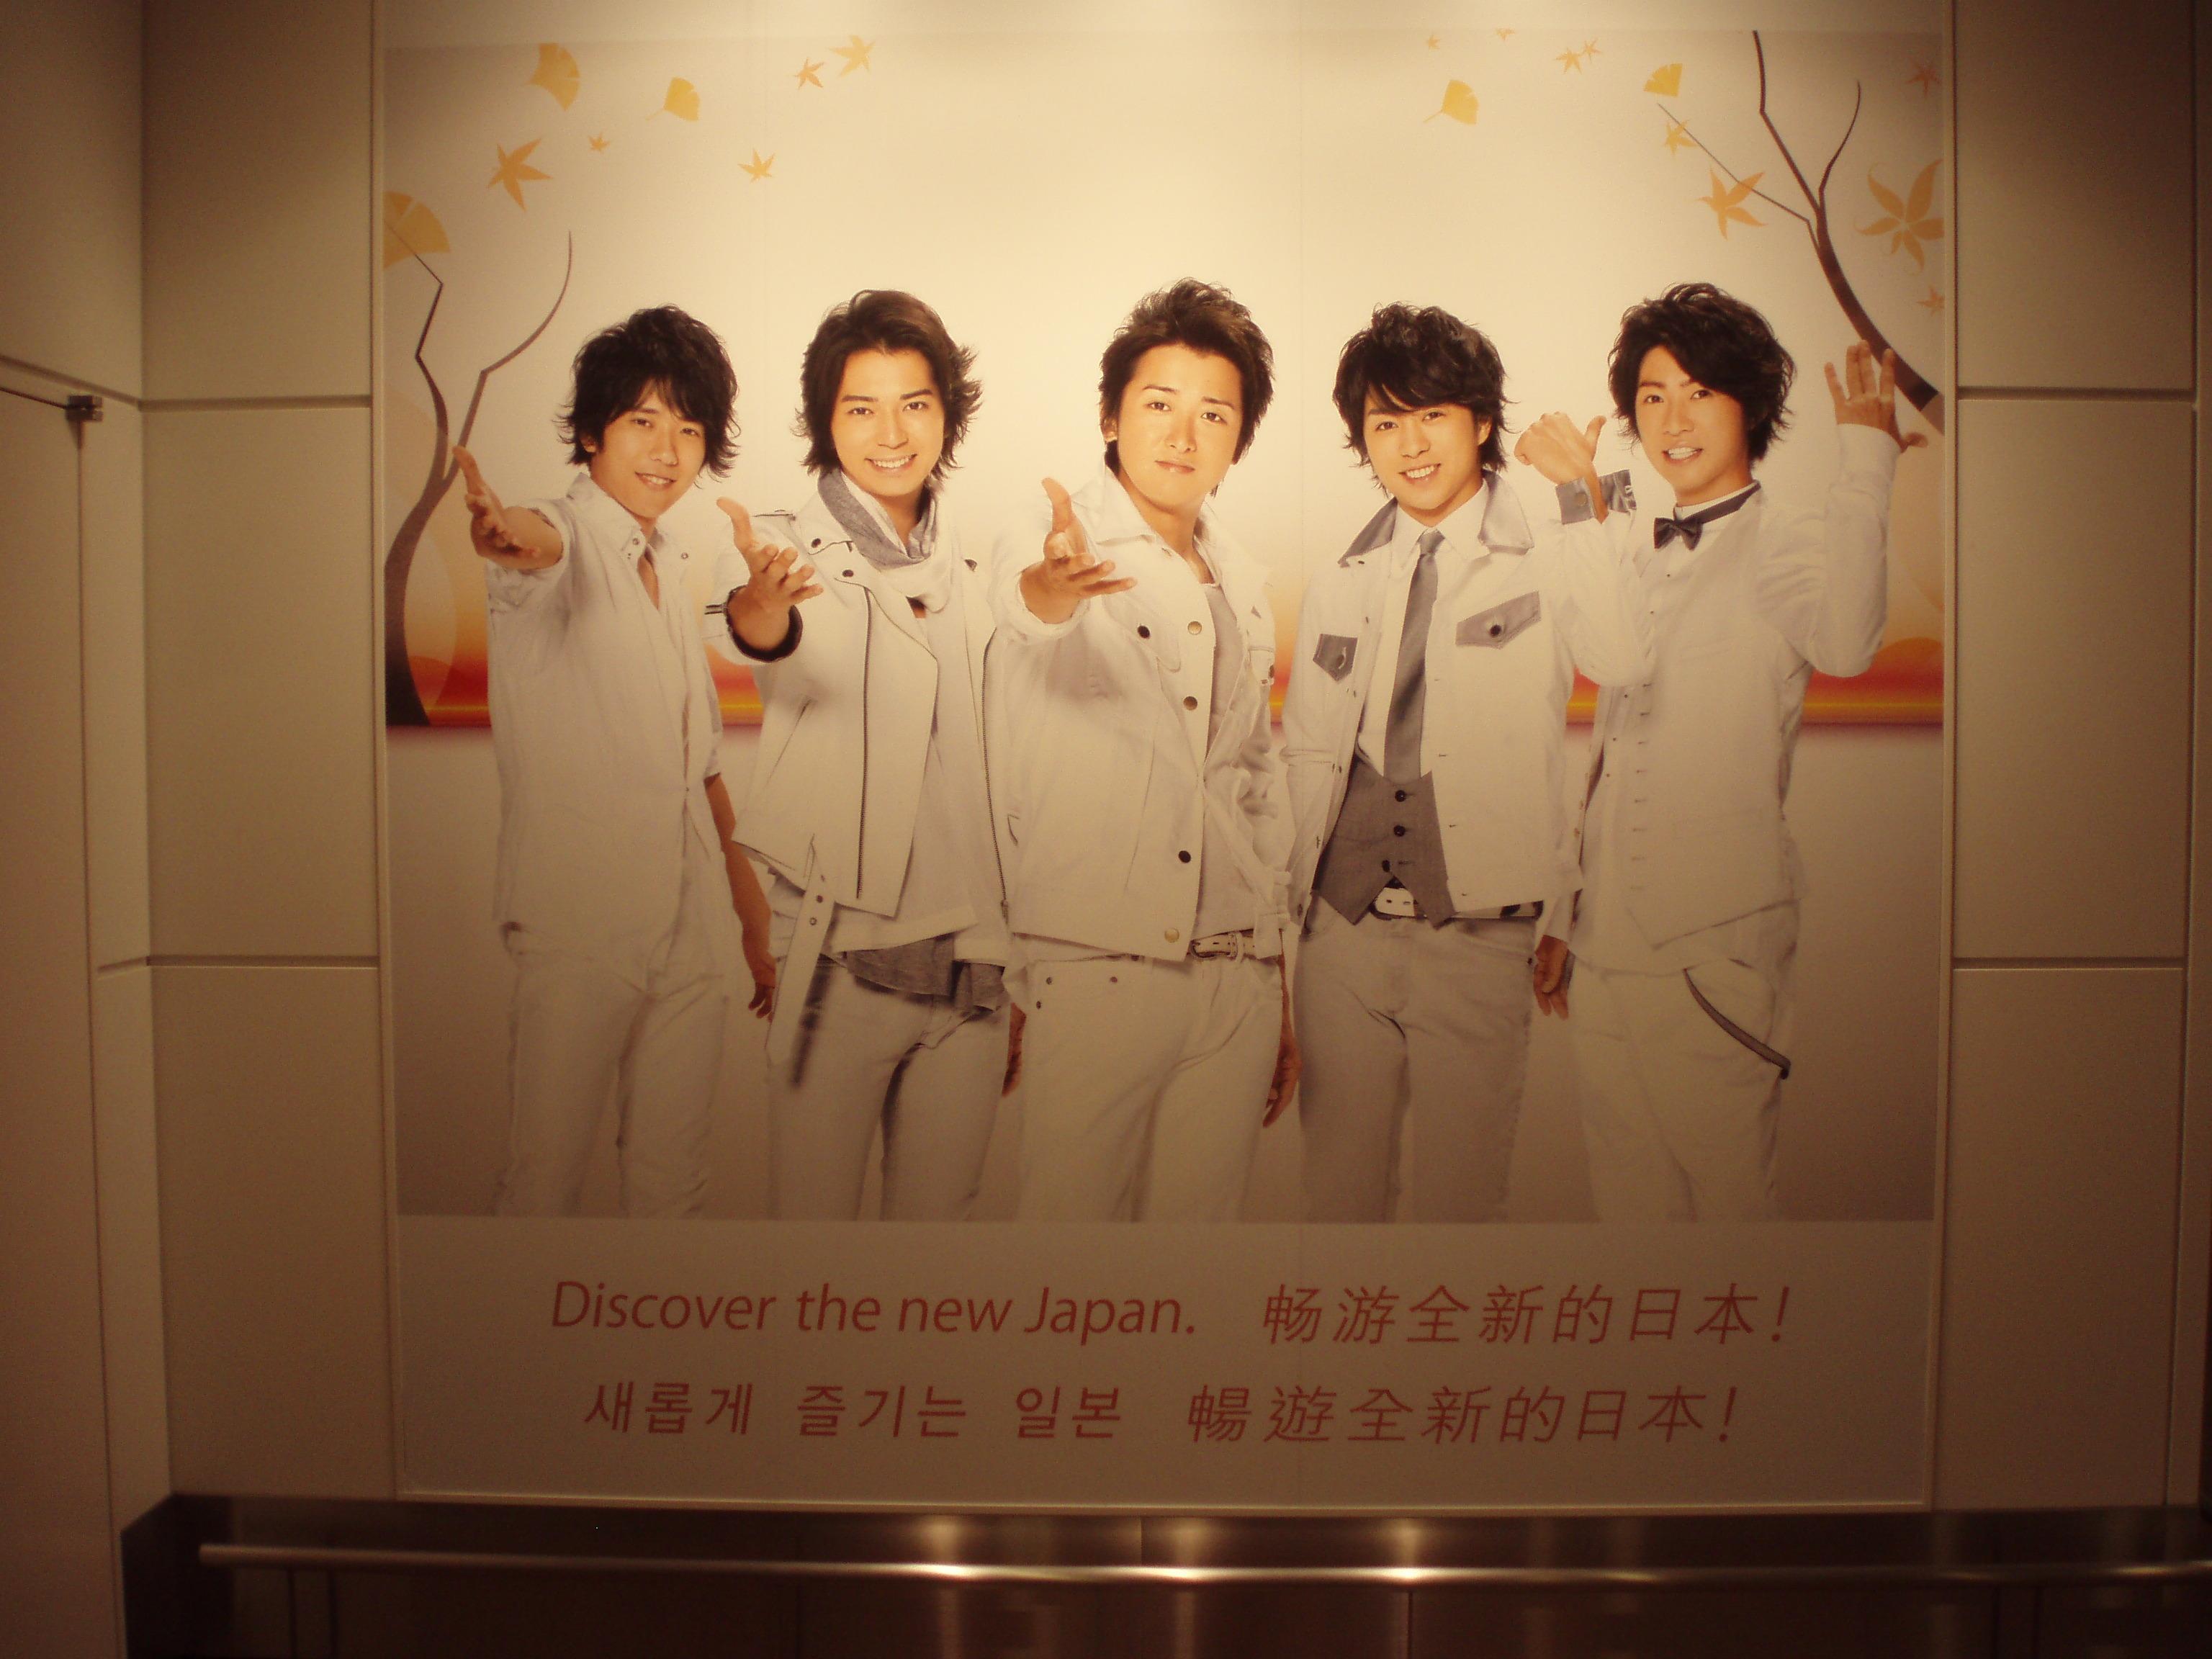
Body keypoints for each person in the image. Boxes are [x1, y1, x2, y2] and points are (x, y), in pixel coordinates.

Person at [1548, 281, 1921, 1220]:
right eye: (1652, 396)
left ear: (1749, 404)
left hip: (1712, 943)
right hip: (1605, 944)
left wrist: (1867, 462)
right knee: (1627, 1211)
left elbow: (1847, 646)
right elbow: (1611, 741)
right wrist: (1563, 907)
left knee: (1729, 1214)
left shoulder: (1787, 541)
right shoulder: (1632, 543)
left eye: (1700, 392)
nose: (1673, 420)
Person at [1283, 303, 1651, 1222]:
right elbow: (1305, 760)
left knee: (1463, 1204)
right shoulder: (1339, 576)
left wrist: (1580, 497)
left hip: (1482, 932)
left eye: (1433, 416)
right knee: (1337, 1201)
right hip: (1339, 935)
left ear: (1483, 422)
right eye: (1385, 424)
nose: (1410, 445)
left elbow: (1619, 659)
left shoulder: (1550, 549)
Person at [454, 304, 775, 1218]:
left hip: (685, 927)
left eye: (690, 429)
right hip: (579, 924)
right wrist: (498, 532)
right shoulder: (560, 536)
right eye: (643, 421)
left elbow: (702, 773)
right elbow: (529, 542)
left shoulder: (670, 564)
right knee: (545, 1180)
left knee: (674, 1185)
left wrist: (753, 921)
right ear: (593, 430)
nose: (668, 452)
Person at [987, 278, 1296, 1222]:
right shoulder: (1050, 537)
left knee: (1199, 1265)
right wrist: (1053, 586)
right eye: (1159, 404)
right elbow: (1026, 609)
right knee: (1069, 1261)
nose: (1182, 434)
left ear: (1239, 441)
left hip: (1238, 972)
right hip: (1101, 966)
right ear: (1111, 417)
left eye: (1214, 414)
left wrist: (1281, 981)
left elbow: (1256, 783)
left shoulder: (1241, 576)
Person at [718, 290, 1015, 1220]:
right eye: (861, 408)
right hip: (839, 963)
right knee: (813, 1250)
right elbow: (765, 628)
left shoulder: (980, 563)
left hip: (974, 968)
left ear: (947, 415)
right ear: (825, 420)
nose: (891, 434)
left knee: (937, 1254)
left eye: (914, 404)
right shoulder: (780, 546)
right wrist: (763, 606)